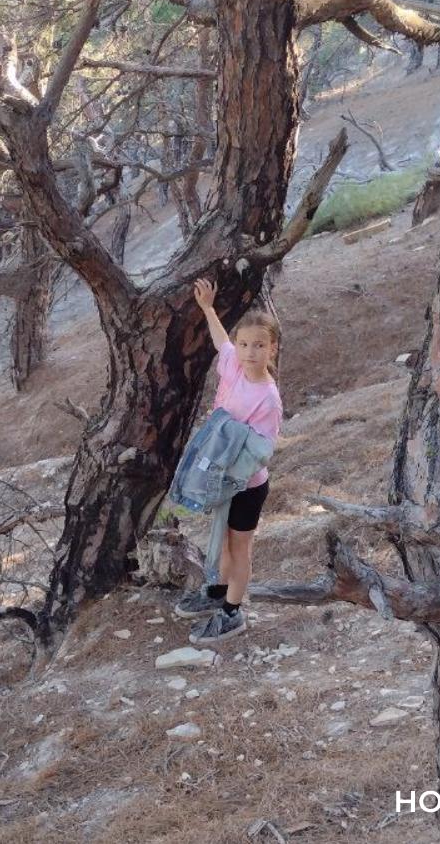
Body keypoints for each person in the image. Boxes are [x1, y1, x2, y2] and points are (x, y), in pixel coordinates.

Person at [176, 276, 283, 644]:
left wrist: (225, 468)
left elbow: (259, 450)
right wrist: (207, 308)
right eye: (245, 344)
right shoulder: (234, 366)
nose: (249, 351)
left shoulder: (267, 399)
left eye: (259, 345)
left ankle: (233, 612)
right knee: (222, 541)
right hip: (221, 477)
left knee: (239, 547)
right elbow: (221, 341)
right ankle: (219, 591)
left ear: (272, 349)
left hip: (245, 484)